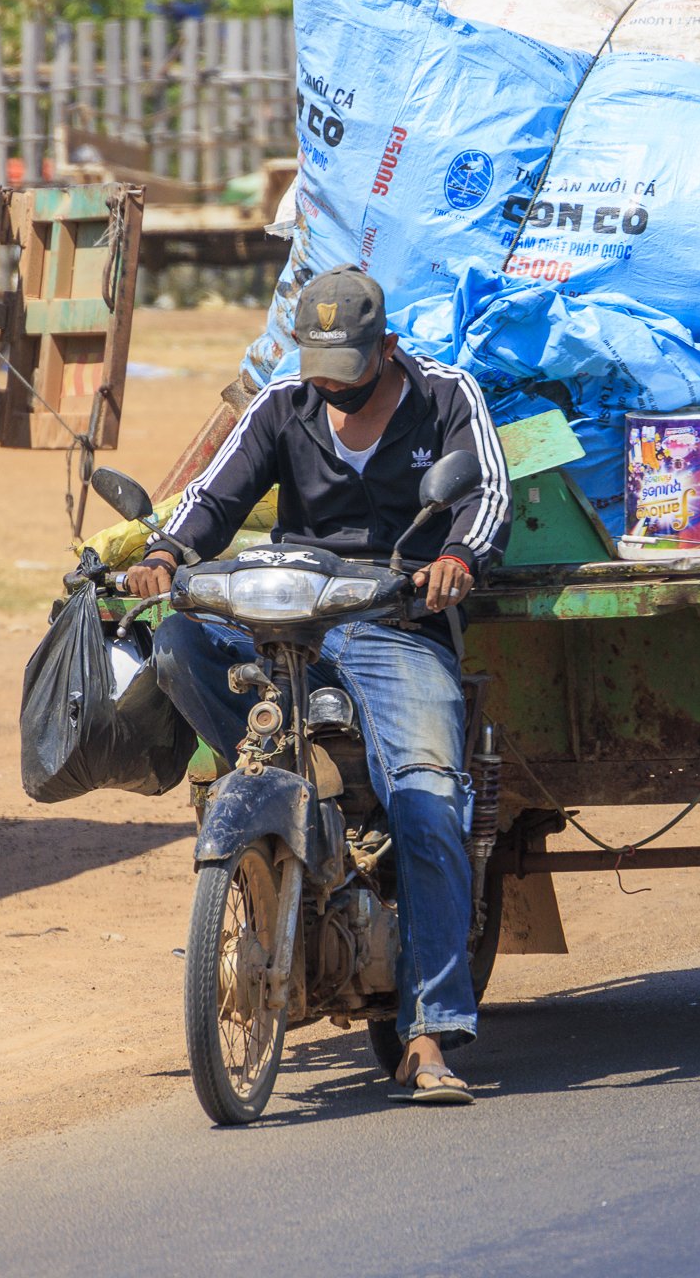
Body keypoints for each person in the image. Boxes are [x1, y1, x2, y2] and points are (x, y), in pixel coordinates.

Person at [126, 264, 511, 1104]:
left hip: (392, 620)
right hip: (289, 607)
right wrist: (163, 556)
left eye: (346, 368)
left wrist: (456, 557)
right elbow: (211, 499)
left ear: (387, 350)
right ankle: (268, 786)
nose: (329, 385)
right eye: (317, 368)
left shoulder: (447, 397)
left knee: (427, 798)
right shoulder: (281, 405)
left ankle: (428, 1032)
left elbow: (484, 498)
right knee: (181, 639)